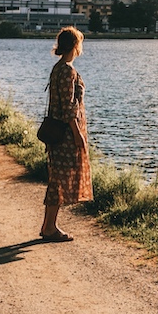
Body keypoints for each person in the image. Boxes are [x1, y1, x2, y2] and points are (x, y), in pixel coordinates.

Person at [40, 26, 93, 241]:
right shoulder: (68, 71)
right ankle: (49, 227)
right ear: (75, 45)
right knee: (59, 180)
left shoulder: (58, 68)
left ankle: (48, 226)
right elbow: (69, 107)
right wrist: (77, 134)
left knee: (57, 178)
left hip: (59, 131)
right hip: (66, 134)